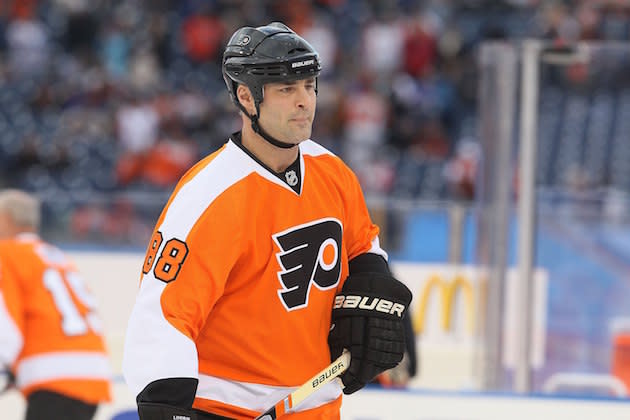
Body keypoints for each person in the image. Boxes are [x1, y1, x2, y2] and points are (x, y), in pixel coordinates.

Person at [123, 22, 412, 420]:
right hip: (225, 408)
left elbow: (364, 246)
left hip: (318, 406)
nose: (304, 102)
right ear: (246, 97)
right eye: (286, 89)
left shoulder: (332, 172)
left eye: (310, 86)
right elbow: (163, 315)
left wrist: (372, 293)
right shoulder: (209, 196)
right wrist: (166, 406)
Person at [0, 189, 112, 420]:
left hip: (53, 375)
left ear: (6, 219)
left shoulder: (6, 253)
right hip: (94, 374)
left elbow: (7, 326)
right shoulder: (56, 256)